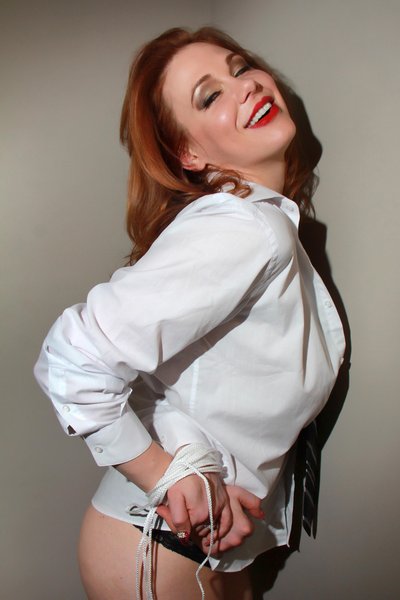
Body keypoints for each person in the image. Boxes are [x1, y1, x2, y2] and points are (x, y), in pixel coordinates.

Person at [34, 26, 345, 600]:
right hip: (157, 551)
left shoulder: (259, 223)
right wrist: (164, 473)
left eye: (240, 67)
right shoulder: (242, 228)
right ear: (189, 154)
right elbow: (73, 359)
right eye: (210, 95)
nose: (246, 86)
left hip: (206, 548)